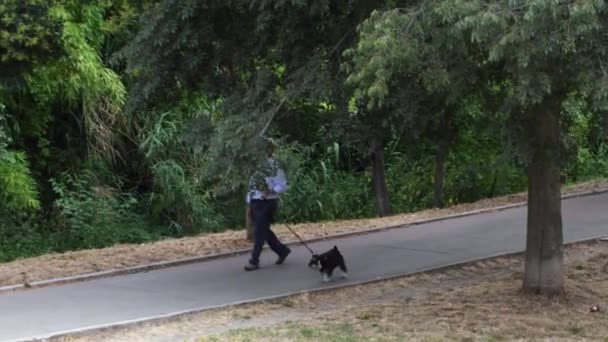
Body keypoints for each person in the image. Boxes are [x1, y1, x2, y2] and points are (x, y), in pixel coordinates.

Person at [244, 143, 291, 271]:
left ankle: (254, 260)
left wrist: (270, 190)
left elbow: (283, 184)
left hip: (267, 202)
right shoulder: (254, 165)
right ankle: (282, 250)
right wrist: (249, 202)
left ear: (269, 150)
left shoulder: (274, 165)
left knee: (259, 231)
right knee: (263, 230)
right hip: (255, 201)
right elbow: (251, 185)